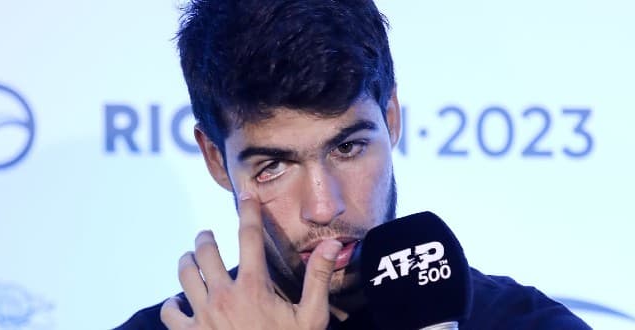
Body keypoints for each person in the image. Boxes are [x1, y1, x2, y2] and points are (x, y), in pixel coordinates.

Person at [118, 0, 591, 329]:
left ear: (391, 119)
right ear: (216, 160)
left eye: (347, 149)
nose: (324, 208)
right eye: (274, 167)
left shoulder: (524, 324)